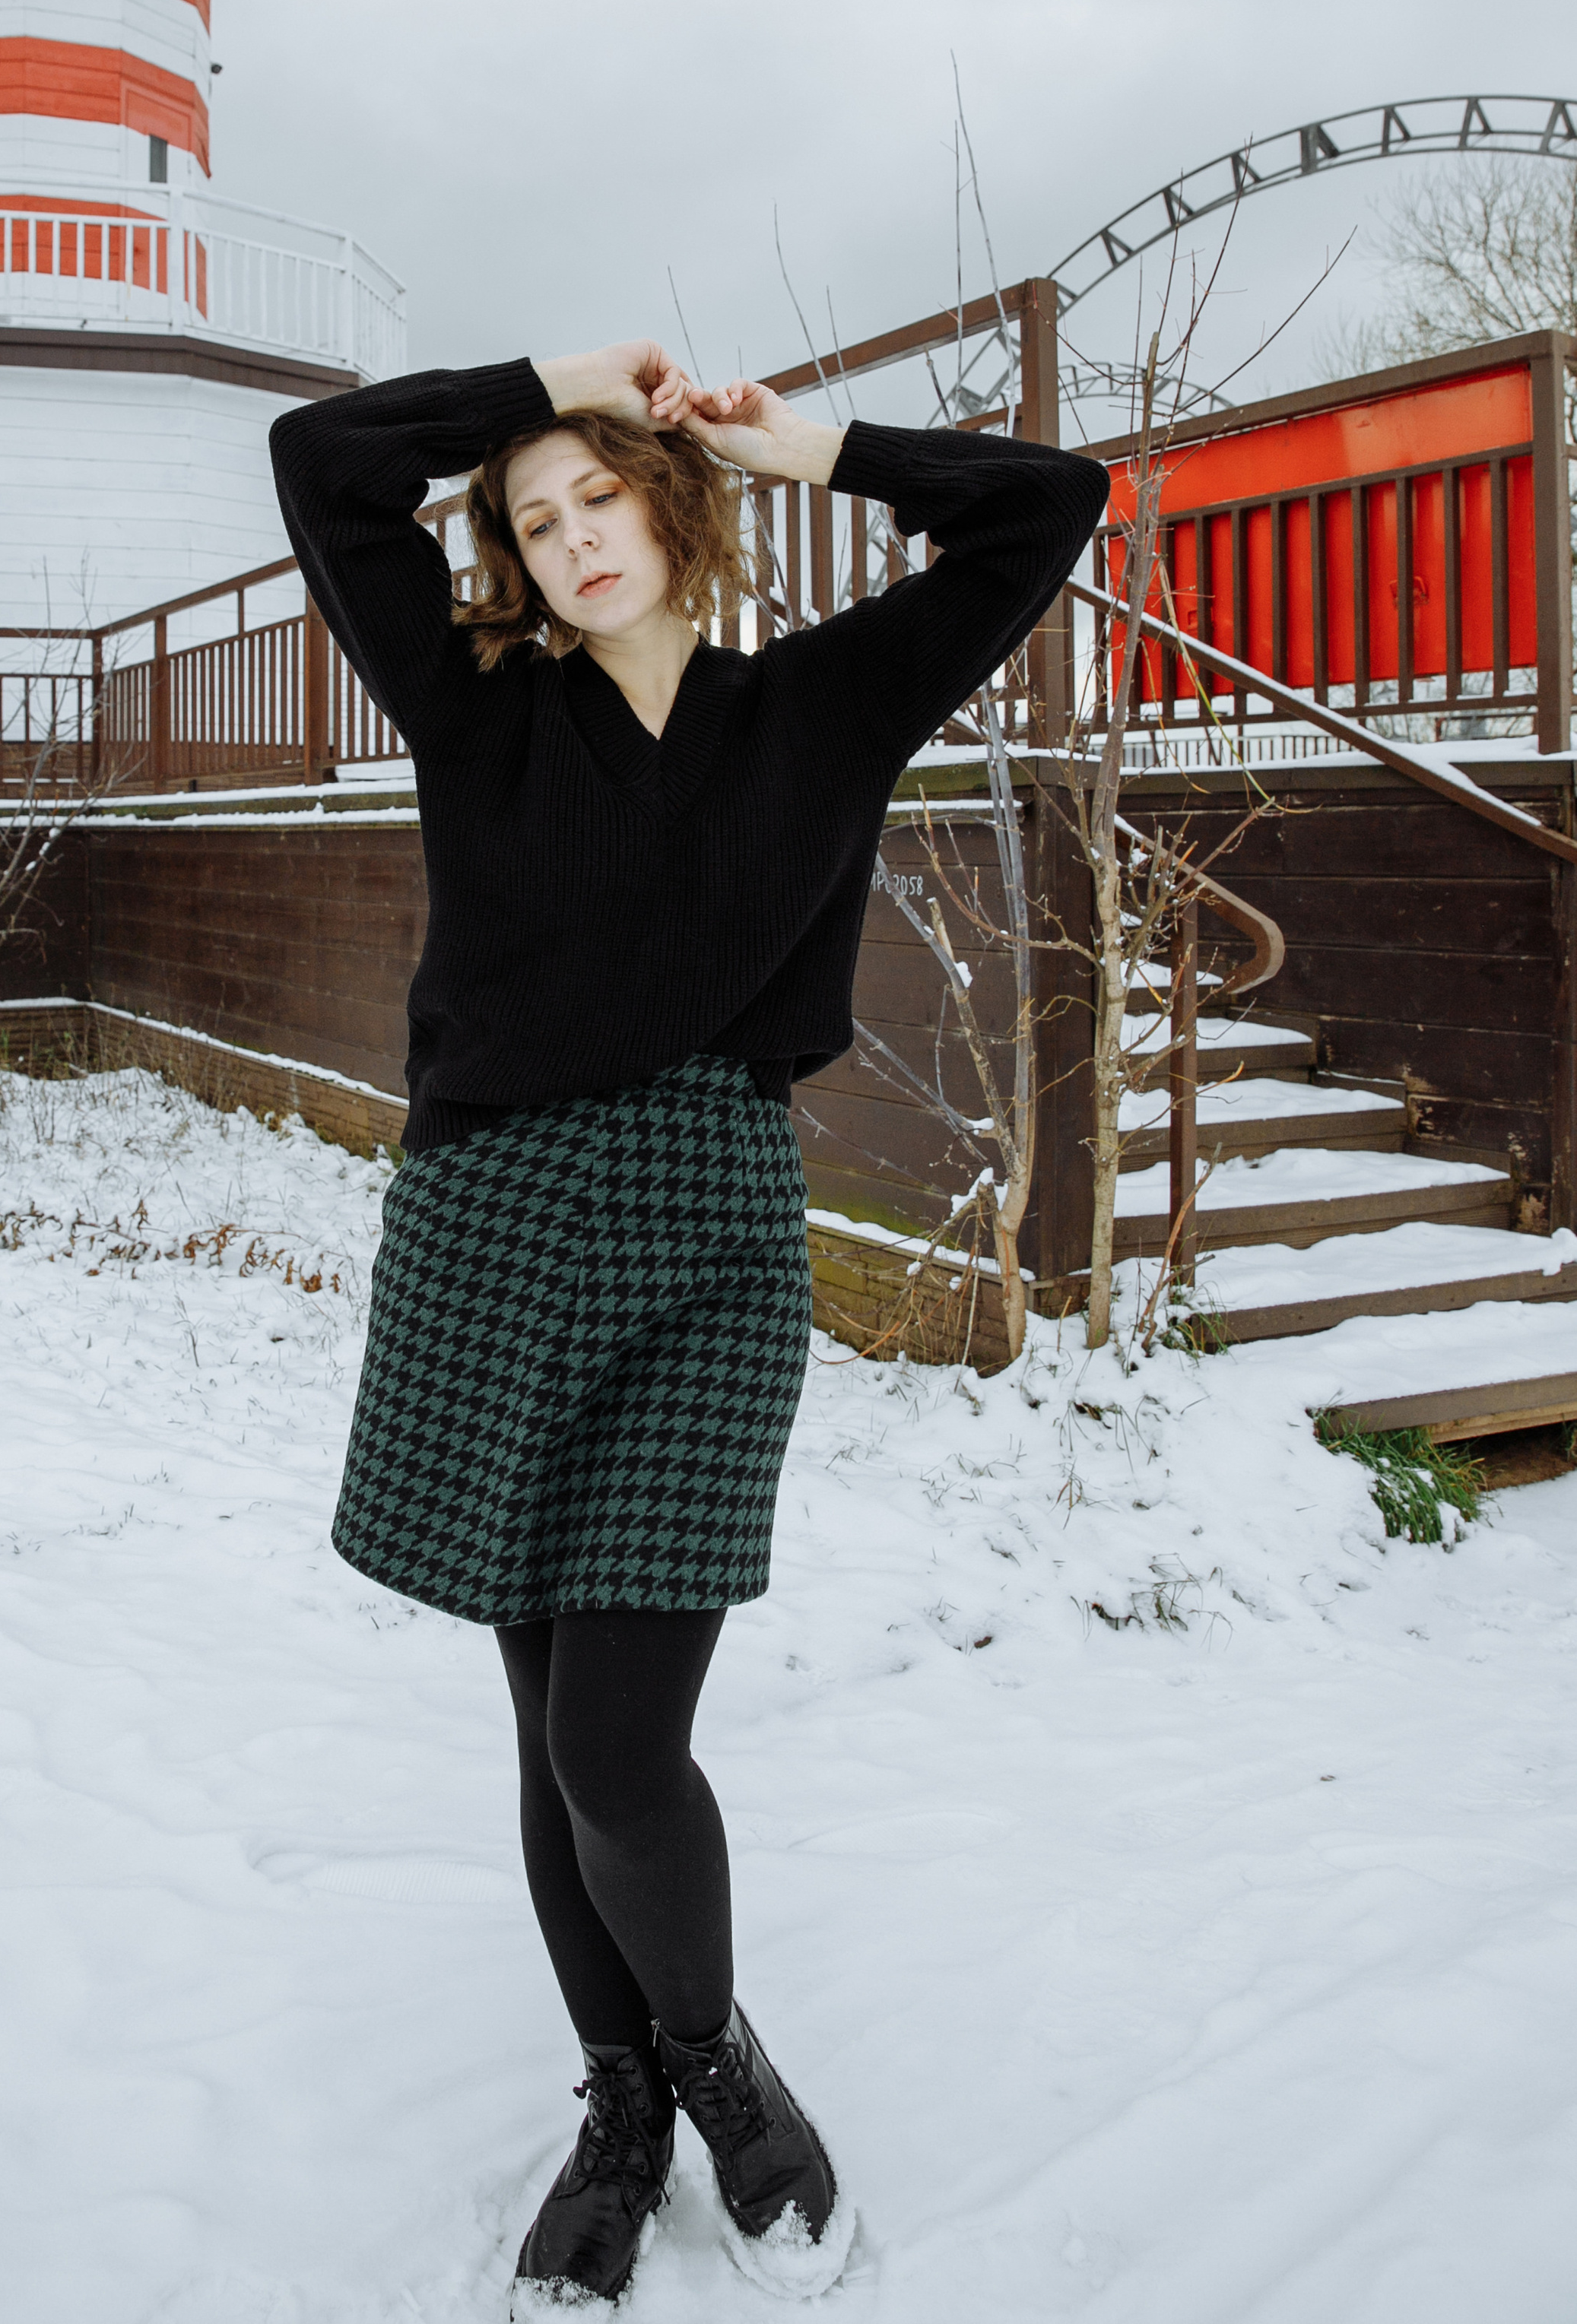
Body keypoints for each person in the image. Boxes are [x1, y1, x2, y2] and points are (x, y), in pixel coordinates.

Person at [269, 344, 1107, 2310]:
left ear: (670, 505)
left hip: (709, 1236)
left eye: (600, 495)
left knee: (621, 1742)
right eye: (534, 517)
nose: (572, 539)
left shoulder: (819, 705)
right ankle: (620, 2105)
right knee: (548, 1735)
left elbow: (1042, 510)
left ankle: (719, 2066)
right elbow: (321, 459)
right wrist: (549, 383)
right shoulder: (475, 708)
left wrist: (805, 444)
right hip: (489, 1236)